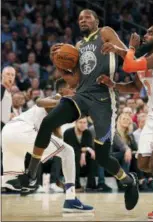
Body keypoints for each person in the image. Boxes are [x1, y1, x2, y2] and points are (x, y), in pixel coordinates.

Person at [20, 9, 139, 211]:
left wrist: (116, 49)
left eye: (87, 17)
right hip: (82, 95)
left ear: (96, 20)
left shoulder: (106, 32)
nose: (82, 20)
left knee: (102, 157)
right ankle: (31, 173)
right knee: (48, 122)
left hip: (104, 98)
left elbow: (129, 59)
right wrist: (58, 63)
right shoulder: (78, 46)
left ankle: (128, 181)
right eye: (80, 18)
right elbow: (75, 81)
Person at [97, 25, 153, 218]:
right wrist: (114, 84)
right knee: (143, 163)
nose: (146, 35)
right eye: (146, 32)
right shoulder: (144, 61)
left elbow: (129, 65)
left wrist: (129, 47)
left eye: (151, 33)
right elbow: (136, 86)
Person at [2, 78, 93, 213]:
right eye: (72, 88)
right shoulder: (58, 98)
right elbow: (40, 102)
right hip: (23, 130)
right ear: (62, 90)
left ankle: (23, 179)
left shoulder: (59, 112)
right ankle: (70, 198)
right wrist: (59, 101)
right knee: (68, 151)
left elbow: (54, 134)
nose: (75, 90)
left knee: (11, 182)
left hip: (7, 133)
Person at [64, 117, 97, 191]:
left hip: (84, 161)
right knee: (75, 154)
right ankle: (76, 185)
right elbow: (70, 148)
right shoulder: (68, 133)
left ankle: (91, 185)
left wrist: (84, 153)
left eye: (84, 123)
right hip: (71, 159)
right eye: (80, 122)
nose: (82, 125)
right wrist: (84, 150)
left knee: (92, 155)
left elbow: (90, 146)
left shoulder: (87, 133)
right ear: (75, 123)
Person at [1, 66, 16, 175]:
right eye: (8, 74)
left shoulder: (7, 92)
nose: (10, 77)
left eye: (13, 75)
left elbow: (9, 113)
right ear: (2, 75)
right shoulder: (1, 89)